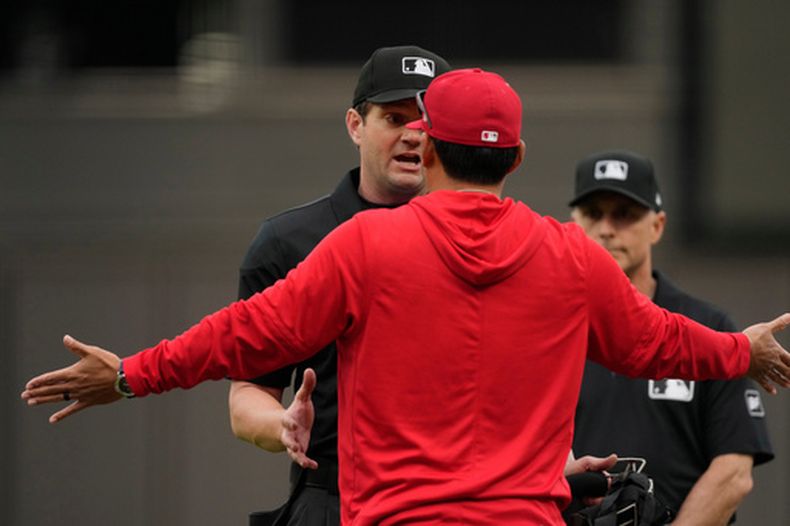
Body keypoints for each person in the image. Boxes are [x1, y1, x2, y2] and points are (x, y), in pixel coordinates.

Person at [21, 68, 790, 526]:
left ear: (428, 142)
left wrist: (129, 374)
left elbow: (246, 335)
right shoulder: (568, 255)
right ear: (517, 156)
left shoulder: (365, 246)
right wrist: (740, 351)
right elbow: (655, 341)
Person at [229, 45, 451, 526]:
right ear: (355, 125)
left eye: (428, 123)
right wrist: (282, 425)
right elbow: (248, 395)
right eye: (395, 119)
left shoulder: (484, 241)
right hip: (334, 498)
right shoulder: (289, 242)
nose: (414, 135)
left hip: (452, 499)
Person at [568, 150, 774, 524]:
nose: (607, 228)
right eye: (593, 214)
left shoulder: (709, 327)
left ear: (658, 225)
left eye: (625, 214)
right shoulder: (551, 327)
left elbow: (733, 473)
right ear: (574, 224)